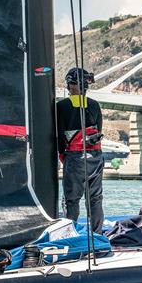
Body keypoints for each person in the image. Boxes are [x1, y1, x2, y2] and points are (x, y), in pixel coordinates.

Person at [56, 67, 105, 234]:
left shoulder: (62, 106)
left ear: (72, 85)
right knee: (95, 199)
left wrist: (63, 157)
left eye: (69, 84)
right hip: (96, 157)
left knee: (72, 200)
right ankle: (97, 235)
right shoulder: (94, 105)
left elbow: (59, 137)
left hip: (76, 157)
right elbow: (98, 129)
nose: (68, 87)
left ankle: (70, 235)